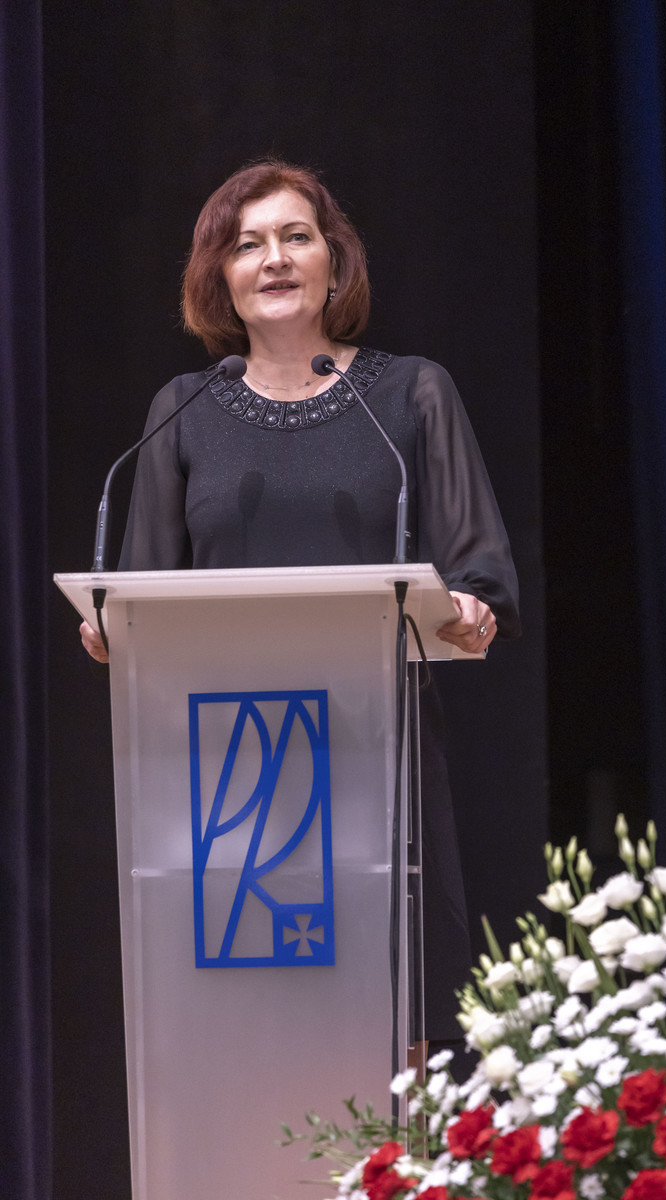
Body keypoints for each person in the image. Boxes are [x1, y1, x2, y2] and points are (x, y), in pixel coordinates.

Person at [80, 159, 520, 1051]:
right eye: (247, 245)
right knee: (253, 1016)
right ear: (221, 279)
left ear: (334, 263)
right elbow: (139, 596)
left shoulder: (409, 394)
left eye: (295, 237)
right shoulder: (183, 410)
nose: (274, 258)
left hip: (375, 754)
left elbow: (481, 573)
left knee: (390, 1004)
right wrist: (110, 633)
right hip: (226, 765)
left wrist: (471, 608)